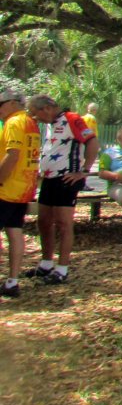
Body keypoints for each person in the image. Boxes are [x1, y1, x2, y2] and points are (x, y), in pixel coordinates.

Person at [23, 94, 98, 285]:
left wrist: (84, 171)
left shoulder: (73, 119)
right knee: (44, 221)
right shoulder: (49, 124)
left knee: (64, 223)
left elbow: (92, 142)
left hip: (66, 179)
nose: (34, 118)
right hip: (48, 178)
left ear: (47, 108)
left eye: (35, 113)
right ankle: (46, 263)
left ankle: (62, 269)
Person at [0, 91, 41, 299]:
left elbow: (13, 154)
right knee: (14, 232)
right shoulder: (31, 124)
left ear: (13, 103)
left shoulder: (14, 122)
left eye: (1, 104)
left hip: (6, 188)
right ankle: (12, 281)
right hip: (24, 189)